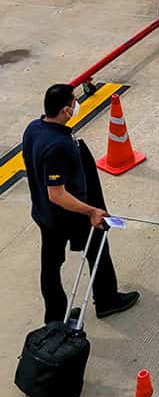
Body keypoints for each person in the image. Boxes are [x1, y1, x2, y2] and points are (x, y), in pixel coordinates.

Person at [22, 84, 139, 325]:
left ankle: (55, 320)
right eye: (74, 102)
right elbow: (57, 194)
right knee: (98, 248)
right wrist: (91, 211)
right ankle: (107, 300)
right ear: (65, 110)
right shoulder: (57, 145)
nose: (77, 105)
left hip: (44, 214)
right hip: (68, 214)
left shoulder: (33, 128)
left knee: (50, 266)